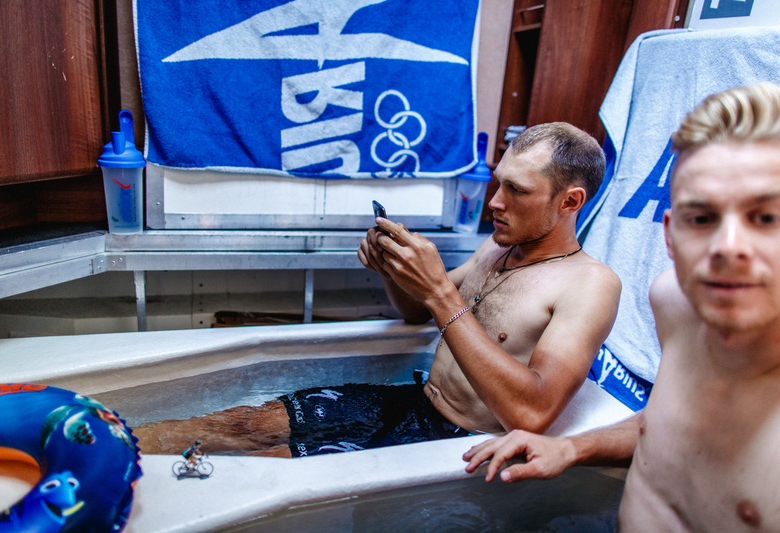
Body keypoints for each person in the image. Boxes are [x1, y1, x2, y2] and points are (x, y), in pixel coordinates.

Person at [133, 122, 621, 458]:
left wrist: (438, 293)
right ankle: (102, 443)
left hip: (457, 440)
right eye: (498, 184)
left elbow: (531, 414)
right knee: (246, 423)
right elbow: (415, 315)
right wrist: (392, 269)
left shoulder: (590, 284)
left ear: (569, 201)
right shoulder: (495, 250)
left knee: (268, 464)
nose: (494, 202)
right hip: (415, 402)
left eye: (517, 190)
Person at [463, 82, 780, 531]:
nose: (728, 247)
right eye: (701, 218)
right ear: (670, 234)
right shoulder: (678, 302)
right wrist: (572, 448)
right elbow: (669, 419)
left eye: (767, 217)